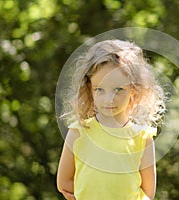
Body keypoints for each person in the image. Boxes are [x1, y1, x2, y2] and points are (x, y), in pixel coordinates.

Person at [56, 39, 166, 200]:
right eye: (100, 89)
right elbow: (64, 182)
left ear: (133, 91)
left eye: (118, 89)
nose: (109, 99)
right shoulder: (79, 132)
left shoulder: (142, 137)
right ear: (89, 89)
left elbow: (148, 192)